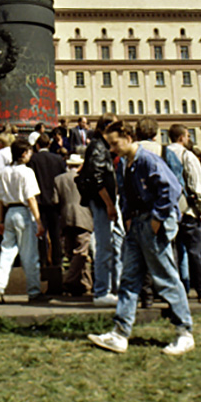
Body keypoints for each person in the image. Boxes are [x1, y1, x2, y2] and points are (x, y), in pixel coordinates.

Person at [88, 119, 196, 356]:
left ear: (128, 138)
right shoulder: (125, 164)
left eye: (115, 143)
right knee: (129, 278)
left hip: (150, 223)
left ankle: (184, 332)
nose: (112, 149)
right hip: (137, 225)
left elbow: (172, 189)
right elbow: (125, 193)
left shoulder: (147, 159)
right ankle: (120, 333)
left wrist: (156, 219)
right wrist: (127, 217)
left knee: (165, 276)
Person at [0, 138, 46, 304]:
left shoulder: (4, 173)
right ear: (24, 153)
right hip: (23, 213)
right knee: (29, 254)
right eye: (29, 152)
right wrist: (39, 221)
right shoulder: (26, 172)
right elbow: (31, 198)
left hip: (9, 213)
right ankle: (34, 290)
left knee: (6, 252)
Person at [78, 114, 122, 307]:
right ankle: (102, 291)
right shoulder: (98, 147)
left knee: (111, 245)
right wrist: (109, 204)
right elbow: (96, 178)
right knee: (104, 246)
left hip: (104, 202)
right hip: (102, 202)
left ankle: (110, 288)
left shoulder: (102, 147)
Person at [165, 124, 201, 302]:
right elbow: (197, 183)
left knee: (172, 252)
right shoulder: (187, 155)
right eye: (188, 136)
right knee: (194, 252)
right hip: (189, 210)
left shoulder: (162, 154)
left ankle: (175, 291)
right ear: (182, 137)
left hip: (168, 209)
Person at [51, 153, 93, 295]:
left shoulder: (58, 179)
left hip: (66, 218)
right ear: (80, 165)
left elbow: (55, 200)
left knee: (72, 252)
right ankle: (69, 282)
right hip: (84, 217)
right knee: (81, 252)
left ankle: (85, 284)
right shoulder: (85, 178)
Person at [29, 135, 67, 274]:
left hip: (39, 201)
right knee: (55, 233)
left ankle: (43, 260)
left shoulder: (33, 159)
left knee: (41, 233)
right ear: (49, 144)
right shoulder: (57, 159)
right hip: (54, 201)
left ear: (37, 145)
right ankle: (57, 261)